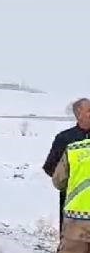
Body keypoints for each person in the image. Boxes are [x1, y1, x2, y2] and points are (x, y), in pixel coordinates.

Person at [43, 98, 90, 231]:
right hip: (73, 211)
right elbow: (50, 167)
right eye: (89, 110)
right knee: (71, 249)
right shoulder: (64, 139)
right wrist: (71, 181)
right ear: (78, 113)